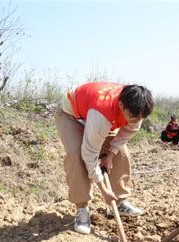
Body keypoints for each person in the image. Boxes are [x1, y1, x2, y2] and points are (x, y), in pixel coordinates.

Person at [55, 82, 154, 234]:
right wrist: (103, 190)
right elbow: (89, 155)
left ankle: (120, 202)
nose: (137, 120)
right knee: (76, 154)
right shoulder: (102, 113)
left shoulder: (137, 110)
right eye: (133, 117)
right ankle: (82, 209)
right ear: (121, 105)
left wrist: (110, 155)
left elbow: (125, 135)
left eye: (140, 118)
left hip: (101, 117)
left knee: (121, 153)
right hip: (72, 116)